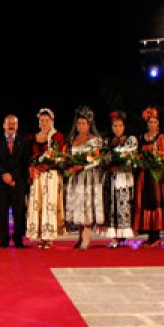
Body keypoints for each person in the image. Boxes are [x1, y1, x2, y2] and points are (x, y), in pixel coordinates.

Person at [64, 106, 105, 250]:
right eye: (79, 123)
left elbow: (96, 159)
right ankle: (80, 236)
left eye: (84, 123)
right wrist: (69, 166)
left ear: (89, 125)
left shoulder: (95, 140)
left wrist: (81, 166)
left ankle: (86, 238)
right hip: (76, 178)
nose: (81, 126)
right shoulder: (73, 140)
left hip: (88, 178)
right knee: (78, 207)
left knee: (86, 207)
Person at [133, 107, 164, 247]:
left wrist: (156, 163)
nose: (152, 125)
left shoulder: (160, 138)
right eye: (150, 122)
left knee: (156, 201)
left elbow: (163, 156)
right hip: (144, 174)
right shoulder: (141, 138)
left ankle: (156, 235)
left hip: (156, 175)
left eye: (155, 122)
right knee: (144, 201)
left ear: (158, 124)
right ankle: (149, 234)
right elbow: (138, 154)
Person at [26, 109, 65, 249]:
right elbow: (29, 155)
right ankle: (40, 236)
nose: (44, 123)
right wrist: (33, 166)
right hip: (38, 175)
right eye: (41, 120)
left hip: (51, 175)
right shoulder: (33, 137)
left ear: (51, 121)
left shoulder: (57, 136)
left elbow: (58, 155)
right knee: (38, 204)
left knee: (50, 204)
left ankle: (49, 237)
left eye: (46, 120)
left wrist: (45, 164)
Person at [0, 114, 30, 248]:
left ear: (17, 126)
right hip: (2, 183)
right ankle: (3, 240)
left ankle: (18, 240)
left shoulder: (24, 142)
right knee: (2, 213)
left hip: (18, 183)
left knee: (19, 213)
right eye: (9, 123)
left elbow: (24, 163)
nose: (11, 126)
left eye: (14, 123)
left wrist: (13, 177)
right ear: (4, 125)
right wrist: (4, 175)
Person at [101, 111, 137, 248]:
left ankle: (123, 234)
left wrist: (118, 161)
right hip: (111, 178)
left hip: (124, 177)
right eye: (115, 126)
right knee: (112, 206)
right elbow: (103, 159)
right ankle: (115, 235)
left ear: (124, 126)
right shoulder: (108, 141)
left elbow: (130, 158)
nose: (117, 128)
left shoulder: (131, 140)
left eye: (120, 125)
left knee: (123, 205)